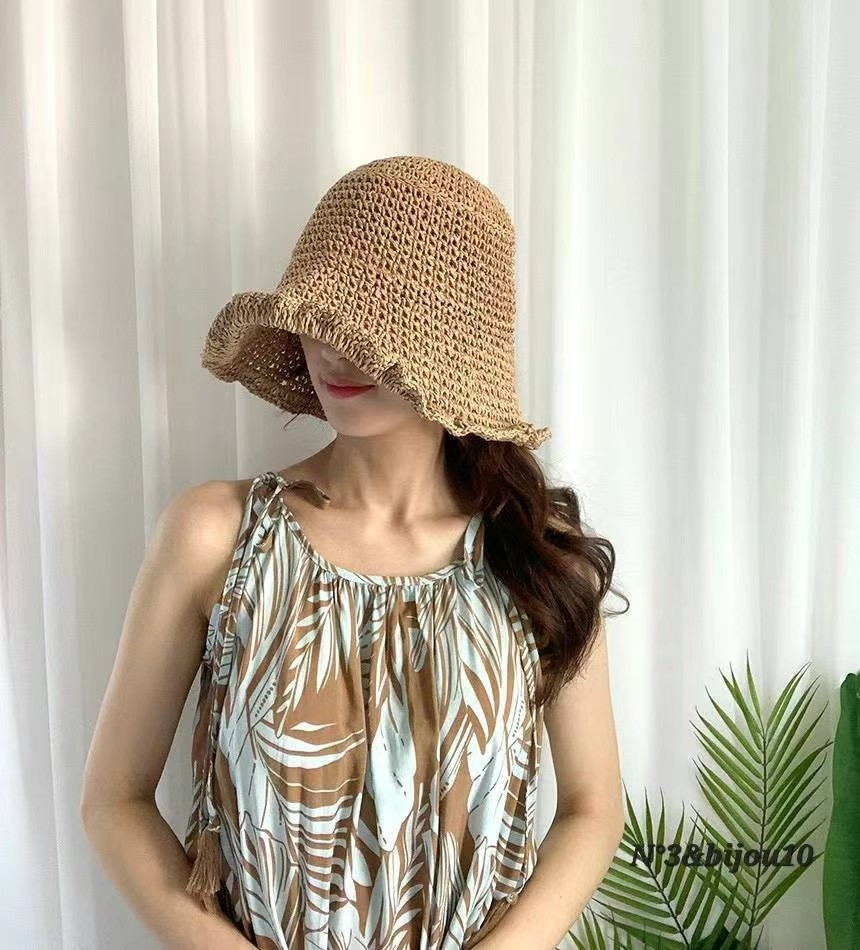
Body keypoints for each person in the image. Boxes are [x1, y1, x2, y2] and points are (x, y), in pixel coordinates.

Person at [81, 156, 629, 950]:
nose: (335, 350)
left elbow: (592, 808)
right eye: (325, 317)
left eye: (375, 329)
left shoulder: (538, 559)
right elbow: (114, 801)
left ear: (452, 349)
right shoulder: (216, 536)